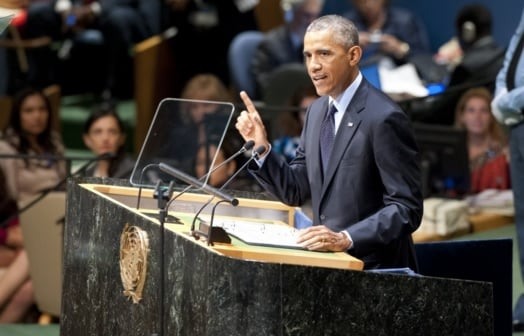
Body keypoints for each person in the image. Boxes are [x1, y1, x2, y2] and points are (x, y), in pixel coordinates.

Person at [235, 15, 422, 270]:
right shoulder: (315, 112)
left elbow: (406, 208)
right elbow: (296, 190)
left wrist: (346, 238)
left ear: (353, 55)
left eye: (324, 54)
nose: (313, 66)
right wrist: (261, 148)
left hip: (375, 272)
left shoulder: (384, 117)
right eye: (308, 55)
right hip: (328, 268)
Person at [0, 87, 66, 322]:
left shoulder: (55, 144)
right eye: (29, 111)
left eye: (41, 109)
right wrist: (9, 234)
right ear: (18, 115)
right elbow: (8, 200)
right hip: (22, 224)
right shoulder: (6, 149)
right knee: (31, 257)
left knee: (29, 289)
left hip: (55, 222)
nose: (36, 116)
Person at [17, 0, 155, 99]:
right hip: (74, 15)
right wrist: (66, 9)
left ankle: (113, 92)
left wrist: (93, 9)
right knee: (39, 14)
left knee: (118, 19)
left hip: (107, 13)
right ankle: (45, 87)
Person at [491, 7, 524, 332]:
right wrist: (502, 95)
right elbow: (511, 59)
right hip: (518, 126)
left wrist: (506, 102)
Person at [251, 0, 324, 98]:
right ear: (290, 14)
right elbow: (265, 88)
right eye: (306, 16)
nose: (312, 22)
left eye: (315, 16)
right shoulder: (270, 46)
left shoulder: (319, 43)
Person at [454, 87, 510, 193]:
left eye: (484, 111)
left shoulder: (504, 150)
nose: (477, 117)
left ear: (491, 116)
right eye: (471, 111)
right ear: (462, 116)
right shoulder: (452, 151)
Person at [343, 0, 430, 66]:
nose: (368, 5)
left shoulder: (404, 21)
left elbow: (424, 58)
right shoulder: (347, 24)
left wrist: (401, 48)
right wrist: (350, 47)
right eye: (362, 1)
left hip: (400, 78)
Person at [82, 104, 135, 179]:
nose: (105, 138)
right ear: (87, 140)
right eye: (98, 132)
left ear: (122, 138)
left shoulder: (135, 173)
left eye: (112, 132)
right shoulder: (85, 174)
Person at [272, 83, 318, 162]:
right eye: (305, 111)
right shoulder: (283, 146)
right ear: (297, 116)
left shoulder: (334, 142)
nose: (312, 116)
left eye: (316, 110)